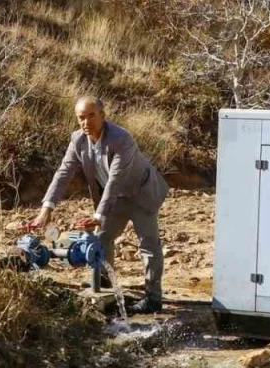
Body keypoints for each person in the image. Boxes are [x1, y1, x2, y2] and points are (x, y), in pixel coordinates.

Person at [24, 96, 169, 312]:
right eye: (81, 118)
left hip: (141, 194)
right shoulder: (78, 140)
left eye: (91, 116)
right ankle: (104, 280)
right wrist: (46, 210)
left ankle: (153, 299)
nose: (86, 122)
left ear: (103, 115)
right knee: (103, 238)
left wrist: (98, 215)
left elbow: (115, 179)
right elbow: (63, 174)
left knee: (148, 245)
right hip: (114, 198)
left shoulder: (121, 139)